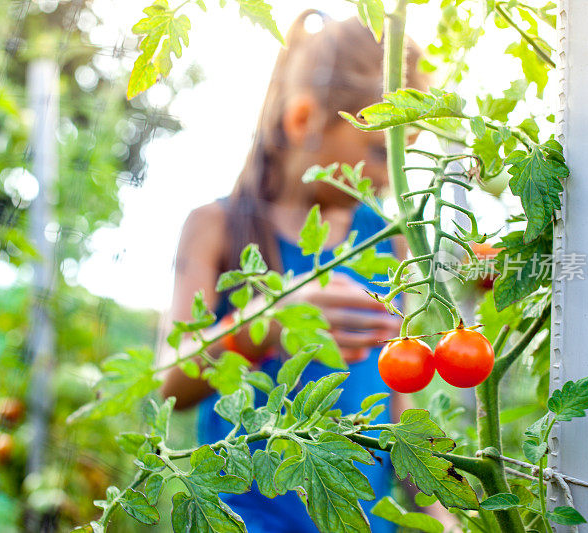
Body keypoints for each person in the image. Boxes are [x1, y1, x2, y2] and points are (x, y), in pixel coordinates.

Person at [158, 9, 458, 533]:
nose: (393, 177)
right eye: (377, 149)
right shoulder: (215, 226)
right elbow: (171, 380)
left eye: (402, 152)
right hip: (244, 521)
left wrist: (445, 514)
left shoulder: (389, 240)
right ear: (304, 120)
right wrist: (270, 319)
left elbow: (399, 403)